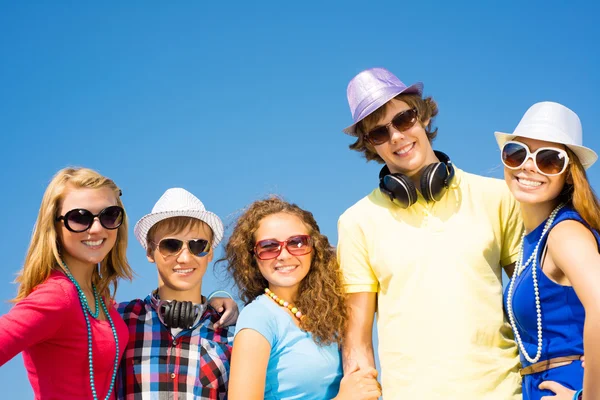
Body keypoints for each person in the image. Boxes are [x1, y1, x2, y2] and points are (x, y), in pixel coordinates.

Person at [337, 67, 523, 398]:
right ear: (369, 145)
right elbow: (358, 339)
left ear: (421, 116)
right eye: (379, 133)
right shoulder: (356, 222)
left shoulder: (497, 197)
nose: (395, 136)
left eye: (403, 119)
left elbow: (535, 299)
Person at [221, 197, 381, 400]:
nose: (284, 255)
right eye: (269, 246)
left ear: (315, 249)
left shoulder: (328, 310)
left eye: (297, 243)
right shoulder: (259, 317)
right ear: (252, 256)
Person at [0, 167, 133, 399]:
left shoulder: (99, 298)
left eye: (109, 215)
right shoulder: (57, 296)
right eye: (79, 218)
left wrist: (216, 300)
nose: (97, 228)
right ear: (54, 225)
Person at [497, 101, 600, 400]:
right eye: (517, 154)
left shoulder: (564, 232)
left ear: (569, 174)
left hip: (570, 384)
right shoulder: (532, 238)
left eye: (549, 160)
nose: (529, 166)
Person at [117, 188, 237, 400]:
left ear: (209, 253)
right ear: (149, 252)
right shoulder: (119, 320)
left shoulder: (231, 334)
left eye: (198, 245)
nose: (184, 258)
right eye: (171, 245)